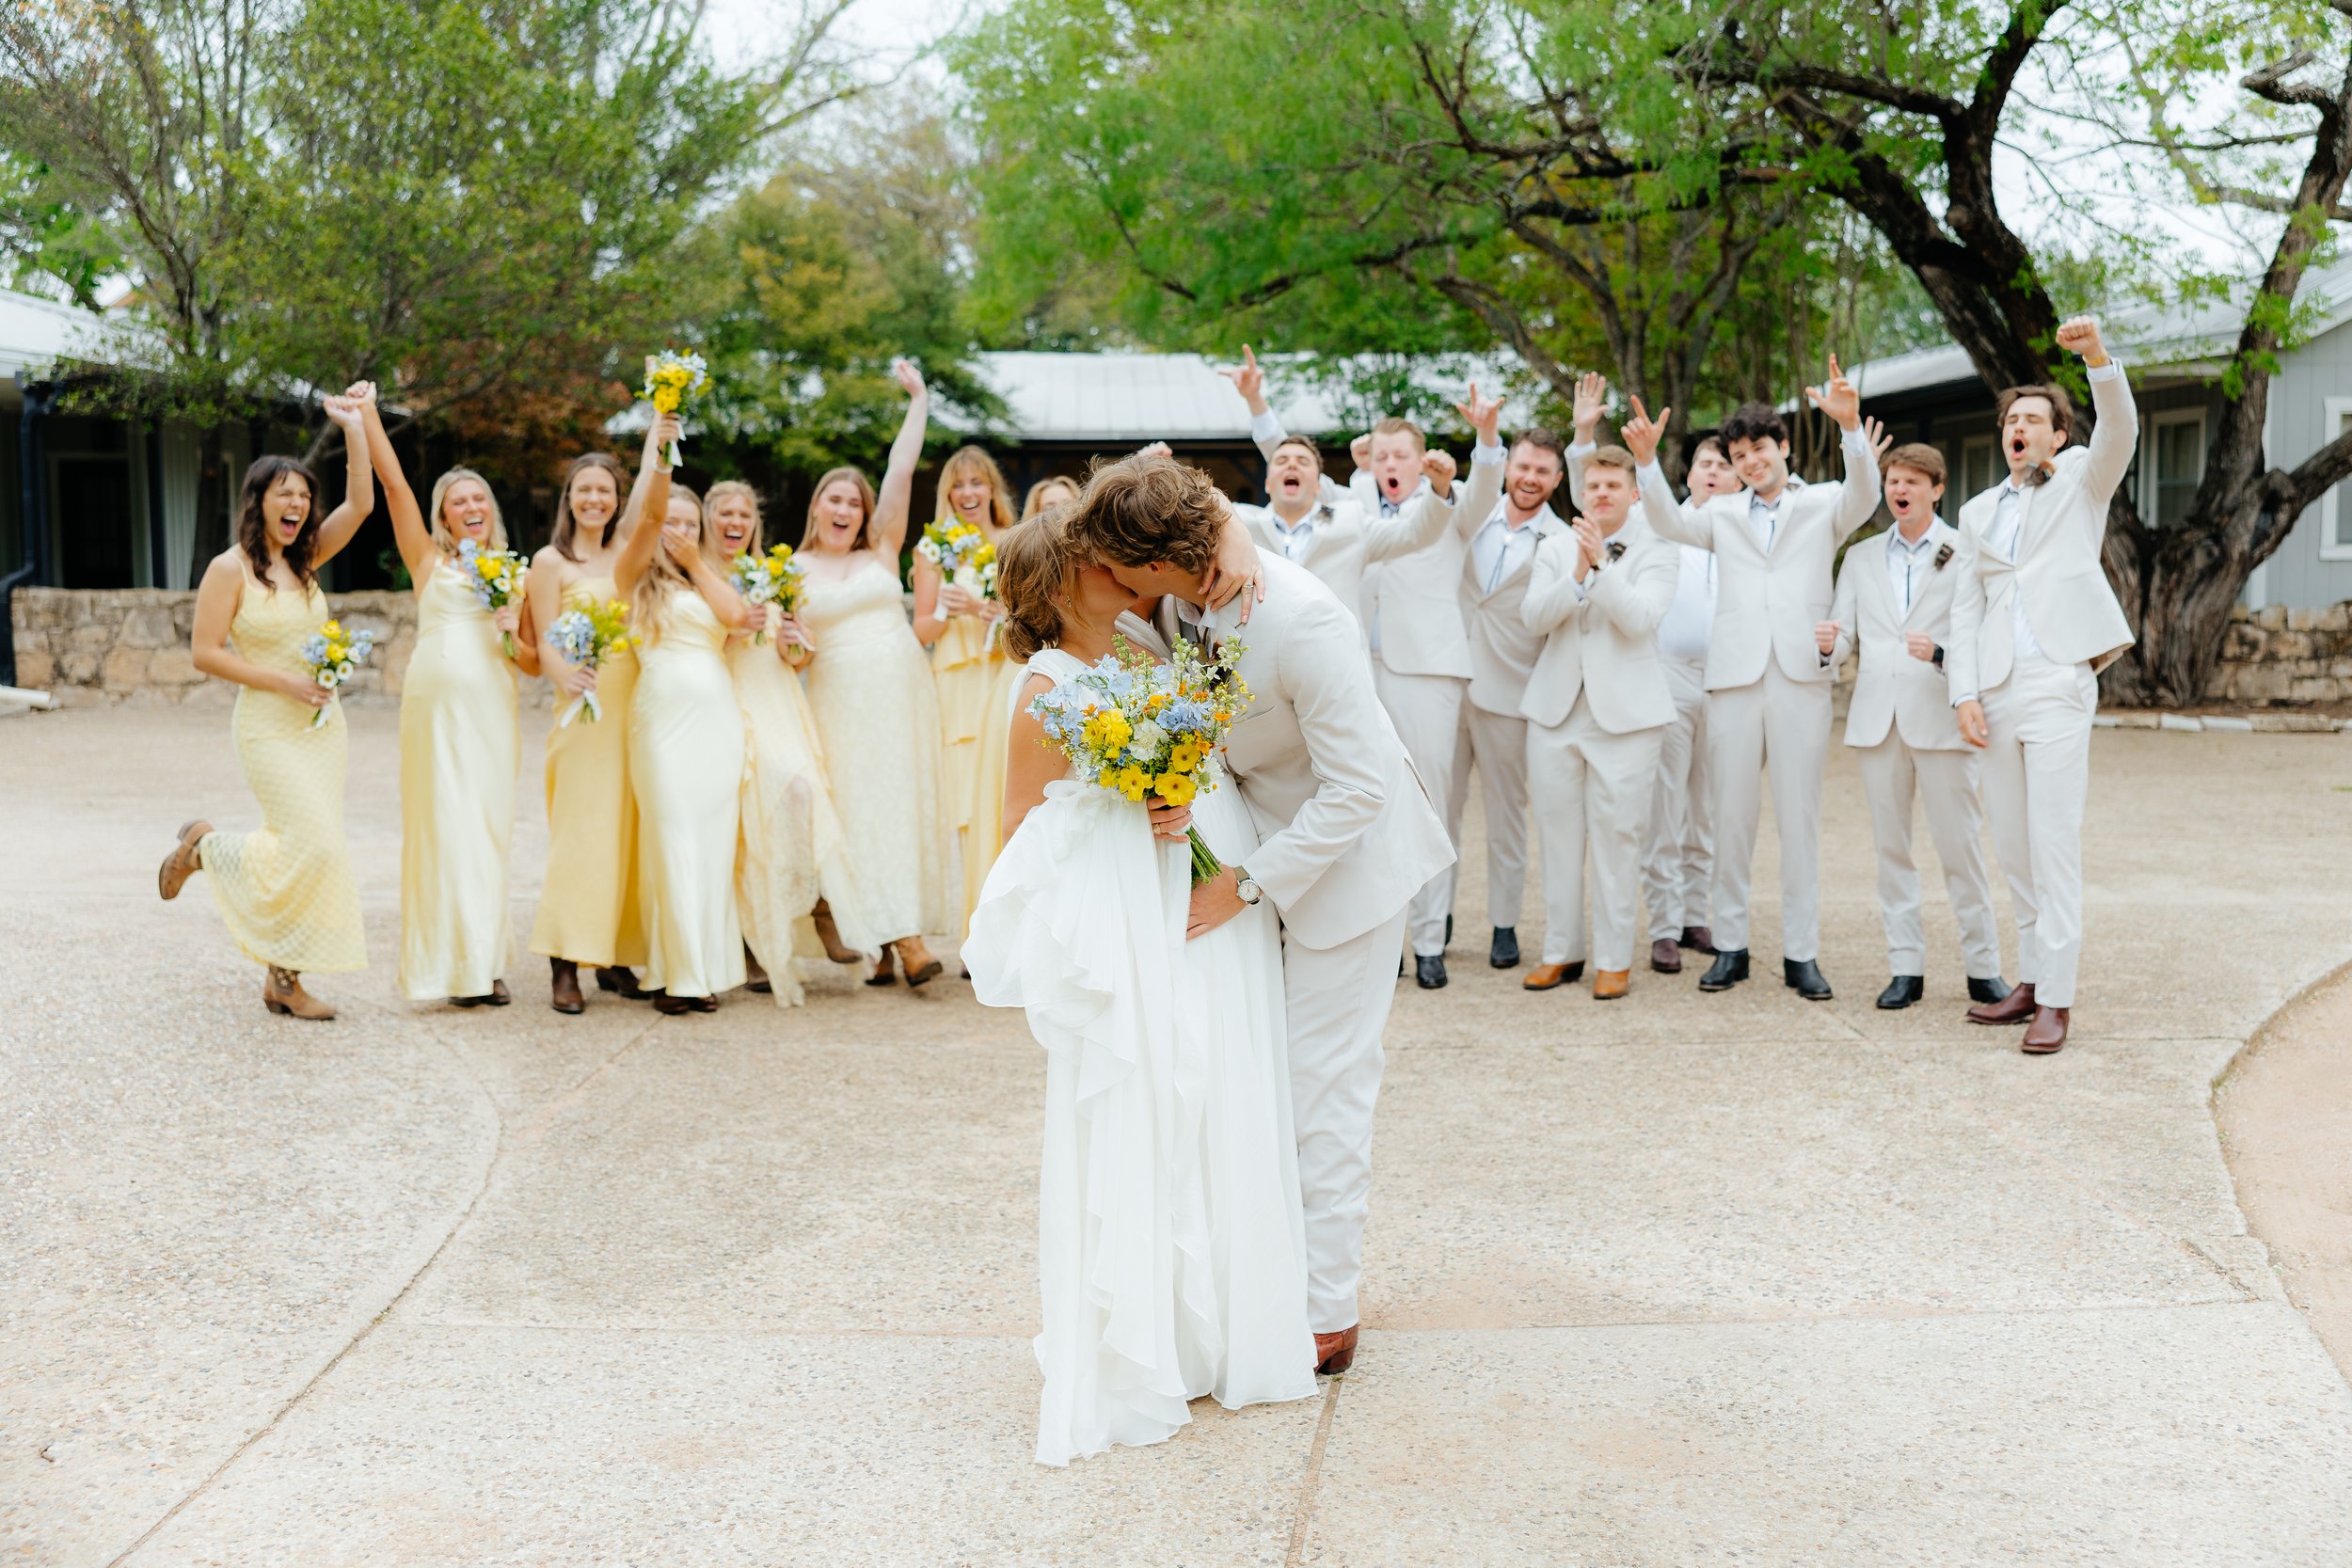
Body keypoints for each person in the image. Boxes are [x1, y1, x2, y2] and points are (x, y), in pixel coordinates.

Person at [1069, 452, 1454, 1384]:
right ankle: (1273, 1281)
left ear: (1164, 560)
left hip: (1347, 869)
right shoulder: (1187, 578)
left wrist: (1242, 882)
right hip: (1256, 836)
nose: (1119, 590)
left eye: (1129, 573)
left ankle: (1326, 1312)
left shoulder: (1304, 619)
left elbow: (1360, 784)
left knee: (1322, 1089)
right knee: (1257, 1083)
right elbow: (1175, 483)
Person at [964, 510, 1316, 1467]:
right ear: (1060, 582)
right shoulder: (1046, 687)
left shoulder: (1138, 650)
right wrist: (1125, 805)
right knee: (1142, 1110)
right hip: (1127, 931)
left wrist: (1170, 792)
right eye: (1097, 564)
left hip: (1184, 919)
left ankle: (1202, 1329)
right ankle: (1137, 1344)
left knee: (1198, 1102)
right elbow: (1018, 831)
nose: (1122, 572)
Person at [1638, 361, 1882, 1001]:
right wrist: (1643, 463)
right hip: (1736, 679)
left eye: (1759, 451)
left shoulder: (1823, 503)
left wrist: (1851, 427)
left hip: (1801, 676)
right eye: (1739, 454)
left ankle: (1801, 953)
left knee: (1799, 819)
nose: (1749, 462)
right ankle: (1732, 947)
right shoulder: (1720, 514)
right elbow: (1666, 523)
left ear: (1785, 449)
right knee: (1730, 818)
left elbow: (1867, 496)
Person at [1247, 387, 1503, 989]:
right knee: (1345, 795)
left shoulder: (1449, 499)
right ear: (1367, 462)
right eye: (1379, 456)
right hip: (1352, 669)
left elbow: (1478, 495)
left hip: (1426, 666)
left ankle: (1430, 938)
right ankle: (1373, 934)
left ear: (1419, 459)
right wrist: (1260, 408)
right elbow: (1290, 469)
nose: (1390, 466)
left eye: (1400, 456)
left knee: (1429, 797)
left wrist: (1484, 441)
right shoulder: (1352, 504)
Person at [1947, 317, 2137, 1053]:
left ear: (2058, 434)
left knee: (2054, 841)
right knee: (2014, 845)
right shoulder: (1976, 511)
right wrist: (1963, 691)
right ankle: (2029, 976)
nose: (2018, 428)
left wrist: (2094, 358)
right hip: (1993, 688)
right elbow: (1966, 608)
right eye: (2010, 420)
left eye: (2033, 419)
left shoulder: (2084, 479)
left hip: (2058, 678)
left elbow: (2119, 425)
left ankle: (2058, 996)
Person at [157, 388, 376, 1022]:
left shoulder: (307, 560)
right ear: (258, 501)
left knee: (315, 846)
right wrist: (280, 681)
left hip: (321, 727)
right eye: (286, 494)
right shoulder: (229, 570)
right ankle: (208, 848)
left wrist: (354, 426)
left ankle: (284, 978)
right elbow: (204, 652)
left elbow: (362, 502)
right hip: (267, 727)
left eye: (305, 497)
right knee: (311, 840)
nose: (298, 505)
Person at [360, 397, 538, 1009]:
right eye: (458, 500)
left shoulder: (516, 575)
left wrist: (514, 624)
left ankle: (485, 959)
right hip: (434, 712)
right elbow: (392, 484)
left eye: (478, 499)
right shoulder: (427, 560)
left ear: (491, 511)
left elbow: (535, 662)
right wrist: (369, 417)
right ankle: (452, 966)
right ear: (442, 514)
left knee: (487, 826)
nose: (470, 507)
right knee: (445, 824)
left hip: (493, 711)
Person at [1820, 444, 2010, 1012]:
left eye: (1910, 481)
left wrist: (1943, 654)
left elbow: (1980, 633)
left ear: (1936, 488)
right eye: (1891, 481)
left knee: (1961, 849)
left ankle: (1984, 969)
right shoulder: (1860, 557)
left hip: (1942, 715)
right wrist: (1831, 646)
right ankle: (1906, 968)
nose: (1898, 490)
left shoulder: (1964, 549)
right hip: (1878, 720)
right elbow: (1846, 635)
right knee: (1891, 850)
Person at [797, 361, 959, 988]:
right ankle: (889, 936)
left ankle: (905, 936)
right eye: (834, 499)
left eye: (854, 502)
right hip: (837, 698)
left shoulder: (881, 549)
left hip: (898, 690)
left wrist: (918, 400)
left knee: (901, 806)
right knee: (858, 808)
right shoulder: (792, 568)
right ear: (816, 507)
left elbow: (899, 471)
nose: (845, 508)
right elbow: (796, 654)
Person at [1518, 408, 1682, 1000]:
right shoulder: (1555, 545)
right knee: (1558, 839)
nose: (1602, 494)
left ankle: (1615, 959)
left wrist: (1601, 567)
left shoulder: (1659, 549)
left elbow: (1640, 621)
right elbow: (1534, 618)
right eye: (1593, 486)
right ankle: (1562, 952)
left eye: (1614, 485)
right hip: (1556, 711)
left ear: (1633, 494)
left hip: (1629, 717)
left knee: (1618, 838)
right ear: (1581, 491)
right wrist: (1575, 570)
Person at [707, 480, 876, 1003]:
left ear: (755, 523)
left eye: (744, 514)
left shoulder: (777, 576)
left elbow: (801, 657)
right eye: (725, 513)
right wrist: (732, 631)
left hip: (777, 698)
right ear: (709, 520)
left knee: (800, 793)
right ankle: (753, 940)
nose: (735, 522)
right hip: (725, 698)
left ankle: (822, 908)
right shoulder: (700, 577)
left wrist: (793, 644)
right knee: (740, 816)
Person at [616, 457, 754, 1014]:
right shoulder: (631, 578)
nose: (679, 532)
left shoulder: (710, 575)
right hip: (659, 721)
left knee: (712, 845)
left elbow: (738, 616)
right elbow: (646, 515)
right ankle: (677, 974)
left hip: (716, 720)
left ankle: (706, 970)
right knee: (671, 837)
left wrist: (697, 561)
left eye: (690, 524)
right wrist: (663, 437)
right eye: (669, 522)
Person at [525, 442, 649, 1013]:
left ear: (616, 499)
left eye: (605, 490)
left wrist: (660, 424)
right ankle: (564, 962)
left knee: (626, 830)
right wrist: (567, 676)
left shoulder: (626, 550)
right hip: (580, 704)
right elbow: (545, 636)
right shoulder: (550, 562)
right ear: (569, 499)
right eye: (584, 490)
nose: (594, 499)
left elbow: (654, 485)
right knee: (581, 831)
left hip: (629, 701)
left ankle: (617, 956)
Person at [1449, 423, 1572, 977]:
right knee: (1438, 811)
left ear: (1557, 478)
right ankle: (1436, 919)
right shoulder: (1468, 513)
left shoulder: (1565, 541)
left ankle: (1504, 923)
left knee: (1507, 817)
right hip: (1447, 679)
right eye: (1523, 466)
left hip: (1513, 688)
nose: (1529, 478)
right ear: (1508, 467)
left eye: (1542, 470)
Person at [1221, 345, 1455, 636]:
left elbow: (1416, 534)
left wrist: (1441, 487)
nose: (1292, 466)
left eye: (1303, 462)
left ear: (1319, 484)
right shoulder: (1241, 524)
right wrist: (1254, 399)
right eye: (1281, 462)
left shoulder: (1351, 519)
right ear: (1268, 482)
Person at [913, 445, 1021, 947]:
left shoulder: (1015, 541)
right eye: (959, 485)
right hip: (955, 681)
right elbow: (923, 629)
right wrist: (952, 613)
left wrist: (989, 610)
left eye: (977, 483)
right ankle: (972, 934)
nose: (968, 493)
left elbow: (1028, 620)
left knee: (1001, 799)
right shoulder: (933, 548)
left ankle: (1007, 929)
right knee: (961, 806)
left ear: (992, 489)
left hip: (1001, 677)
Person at [1641, 433, 1732, 974]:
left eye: (1724, 464)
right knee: (1665, 806)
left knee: (1707, 808)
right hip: (1670, 674)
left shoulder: (1743, 531)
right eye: (1705, 463)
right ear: (1690, 474)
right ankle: (1662, 925)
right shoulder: (1663, 526)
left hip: (1724, 680)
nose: (1714, 472)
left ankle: (1697, 916)